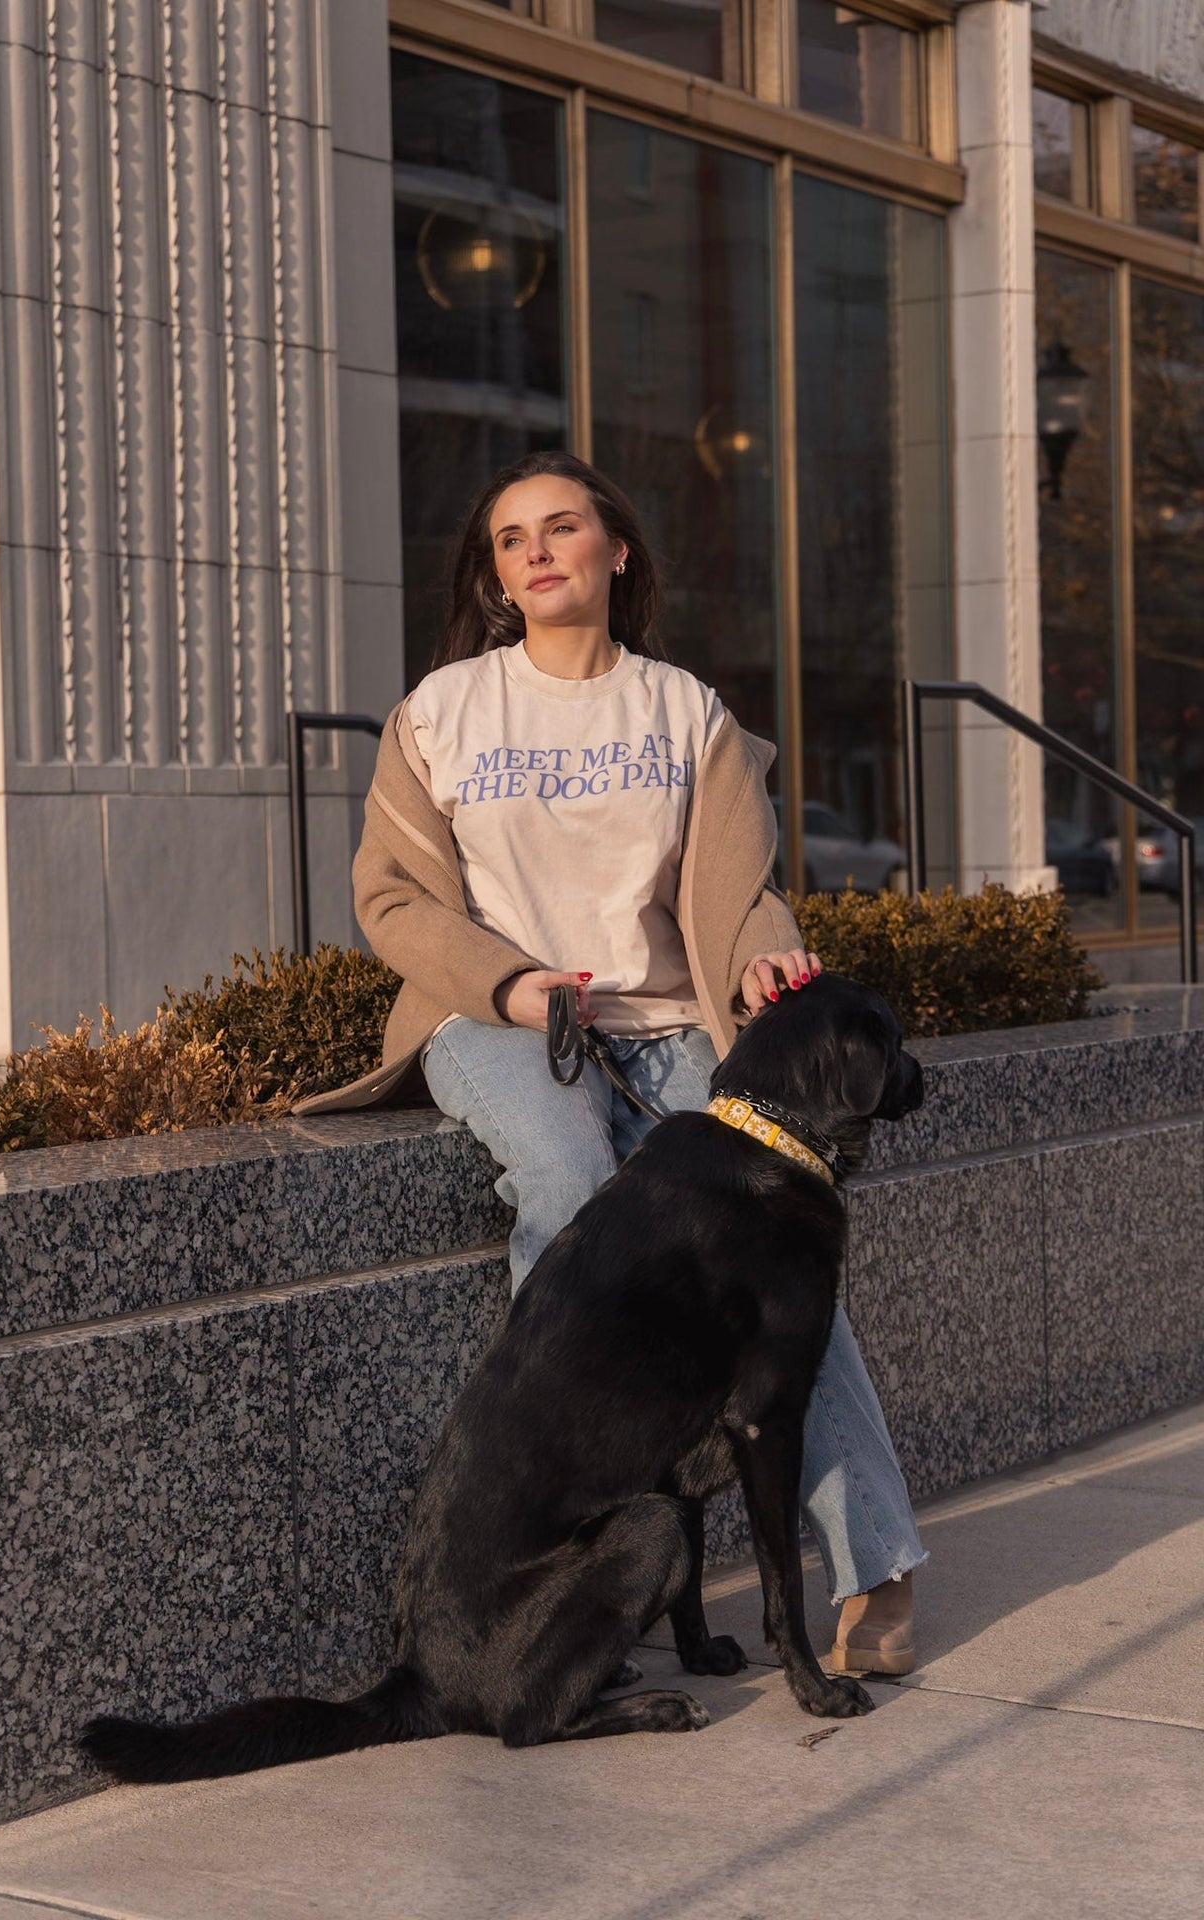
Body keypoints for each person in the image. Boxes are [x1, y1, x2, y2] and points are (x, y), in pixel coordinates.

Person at [299, 451, 925, 1676]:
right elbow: (389, 899)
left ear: (615, 550)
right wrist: (510, 981)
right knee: (567, 1183)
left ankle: (879, 1569)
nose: (535, 553)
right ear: (494, 575)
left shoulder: (685, 713)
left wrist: (761, 964)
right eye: (510, 540)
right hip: (500, 1025)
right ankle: (577, 1551)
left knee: (782, 1263)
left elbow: (737, 897)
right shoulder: (439, 715)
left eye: (562, 528)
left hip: (667, 1029)